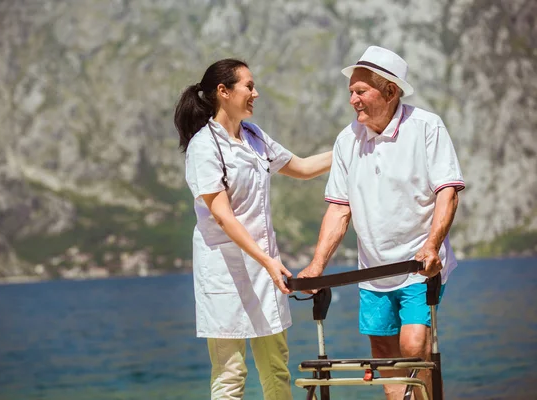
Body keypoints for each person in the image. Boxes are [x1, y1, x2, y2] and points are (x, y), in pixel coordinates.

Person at [297, 46, 465, 400]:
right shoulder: (347, 140)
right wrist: (317, 265)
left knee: (414, 344)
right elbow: (339, 210)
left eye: (361, 92)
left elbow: (447, 192)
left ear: (390, 91)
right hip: (372, 269)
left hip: (418, 265)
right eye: (351, 93)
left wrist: (432, 245)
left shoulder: (426, 127)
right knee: (385, 356)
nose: (353, 100)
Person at [174, 58, 331, 400]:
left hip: (265, 272)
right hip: (226, 273)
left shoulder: (255, 136)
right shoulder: (204, 147)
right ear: (223, 91)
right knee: (230, 377)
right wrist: (268, 261)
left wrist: (351, 147)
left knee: (276, 369)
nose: (255, 93)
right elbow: (223, 216)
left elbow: (302, 168)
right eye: (248, 86)